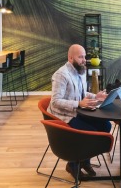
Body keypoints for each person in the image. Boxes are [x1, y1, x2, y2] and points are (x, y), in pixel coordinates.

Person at [48, 44, 109, 179]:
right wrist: (78, 103)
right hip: (63, 116)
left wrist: (95, 96)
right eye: (80, 57)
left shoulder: (80, 71)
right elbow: (55, 102)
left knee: (106, 126)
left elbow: (81, 92)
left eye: (84, 56)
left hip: (78, 112)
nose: (84, 60)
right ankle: (73, 165)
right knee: (91, 134)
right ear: (70, 58)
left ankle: (84, 160)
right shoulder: (61, 75)